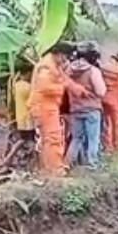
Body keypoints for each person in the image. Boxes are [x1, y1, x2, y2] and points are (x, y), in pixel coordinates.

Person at [29, 41, 89, 177]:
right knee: (53, 138)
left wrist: (77, 88)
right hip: (44, 107)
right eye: (64, 57)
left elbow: (64, 79)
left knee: (50, 139)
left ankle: (49, 169)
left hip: (50, 106)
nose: (65, 60)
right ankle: (55, 169)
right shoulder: (46, 67)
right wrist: (62, 88)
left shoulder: (55, 65)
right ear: (58, 53)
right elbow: (46, 88)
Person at [66, 44, 106, 168]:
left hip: (74, 109)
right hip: (91, 109)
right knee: (93, 138)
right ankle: (92, 164)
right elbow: (101, 91)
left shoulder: (68, 70)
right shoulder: (93, 71)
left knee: (76, 138)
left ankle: (68, 163)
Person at [1, 64, 37, 170]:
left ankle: (8, 159)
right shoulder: (27, 87)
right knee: (25, 140)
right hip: (27, 119)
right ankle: (8, 159)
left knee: (23, 140)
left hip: (20, 117)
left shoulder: (16, 85)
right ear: (28, 73)